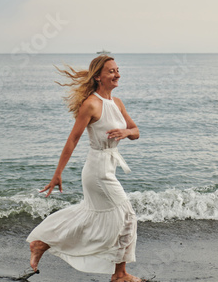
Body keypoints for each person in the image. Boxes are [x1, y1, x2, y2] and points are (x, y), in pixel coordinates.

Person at [26, 55, 142, 282]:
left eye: (117, 70)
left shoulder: (117, 103)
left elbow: (136, 131)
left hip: (109, 166)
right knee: (127, 214)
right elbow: (72, 140)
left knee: (91, 215)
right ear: (98, 77)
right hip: (97, 171)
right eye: (111, 71)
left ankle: (42, 243)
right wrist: (57, 173)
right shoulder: (91, 104)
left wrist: (125, 133)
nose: (117, 74)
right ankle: (119, 275)